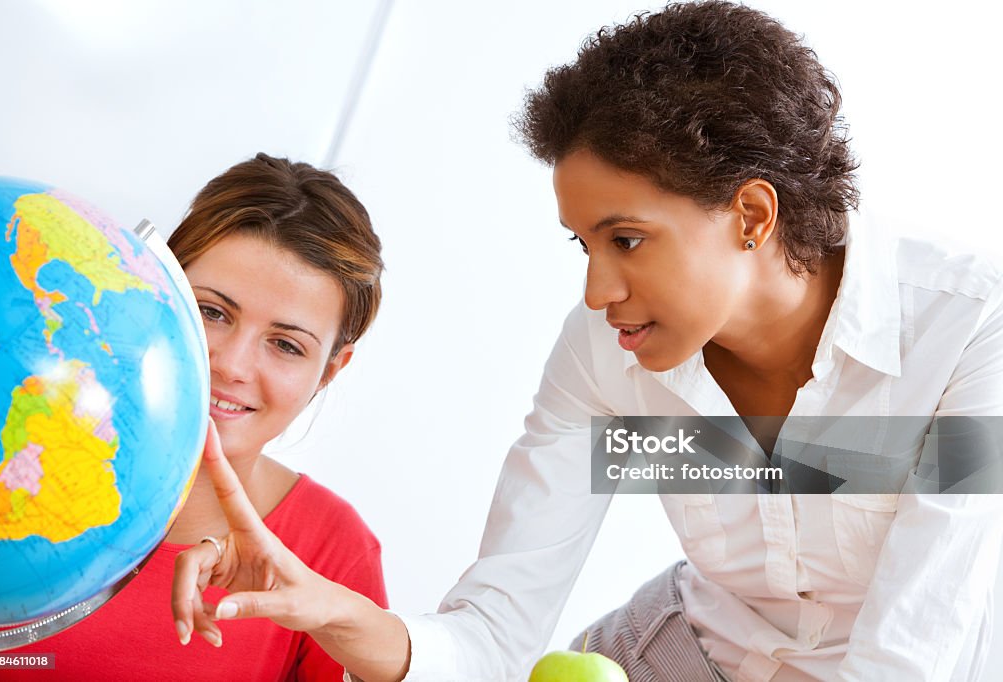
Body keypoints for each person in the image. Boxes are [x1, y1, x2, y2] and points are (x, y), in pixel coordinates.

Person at [171, 3, 1003, 681]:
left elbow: (907, 658)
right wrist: (349, 618)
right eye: (584, 246)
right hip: (685, 651)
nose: (597, 291)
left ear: (751, 215)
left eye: (628, 240)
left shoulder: (969, 333)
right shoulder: (607, 351)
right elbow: (495, 636)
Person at [0, 153, 388, 681]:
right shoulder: (6, 451)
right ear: (158, 288)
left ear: (330, 371)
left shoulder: (332, 549)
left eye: (286, 345)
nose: (230, 364)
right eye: (212, 312)